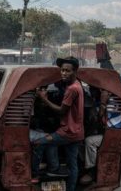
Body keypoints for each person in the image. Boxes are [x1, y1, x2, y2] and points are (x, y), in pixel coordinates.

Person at [32, 56, 84, 191]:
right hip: (77, 132)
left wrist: (43, 99)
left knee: (39, 142)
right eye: (62, 70)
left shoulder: (72, 89)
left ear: (75, 71)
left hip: (67, 133)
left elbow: (61, 111)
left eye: (67, 71)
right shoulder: (78, 84)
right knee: (72, 164)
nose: (64, 73)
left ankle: (35, 174)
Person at [80, 88, 121, 184]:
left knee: (89, 141)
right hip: (107, 132)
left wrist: (103, 103)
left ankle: (93, 170)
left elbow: (99, 118)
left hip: (113, 136)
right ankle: (87, 164)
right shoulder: (105, 101)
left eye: (101, 91)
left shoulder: (112, 103)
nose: (95, 92)